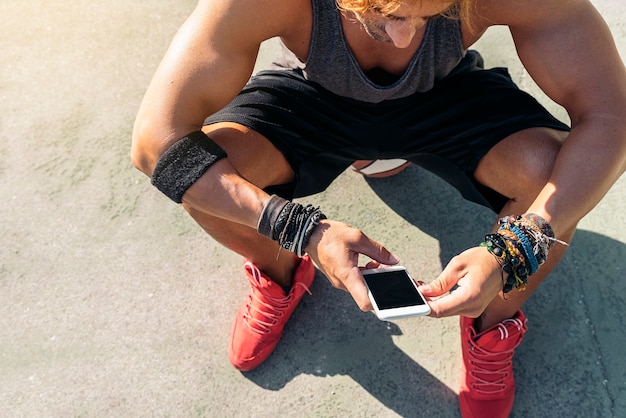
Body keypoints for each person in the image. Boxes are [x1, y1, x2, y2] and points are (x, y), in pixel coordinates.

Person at [131, 0, 626, 416]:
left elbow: (611, 119)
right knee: (205, 171)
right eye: (383, 13)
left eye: (432, 13)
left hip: (444, 95)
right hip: (315, 97)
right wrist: (300, 230)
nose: (404, 37)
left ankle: (490, 320)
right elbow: (156, 144)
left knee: (557, 176)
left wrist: (516, 248)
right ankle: (281, 269)